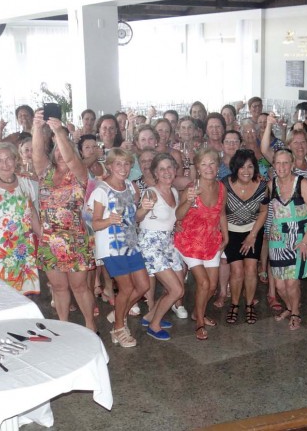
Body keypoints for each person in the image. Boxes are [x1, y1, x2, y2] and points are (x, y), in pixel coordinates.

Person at [33, 116, 97, 332]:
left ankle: (90, 325)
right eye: (57, 149)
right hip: (50, 241)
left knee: (80, 287)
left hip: (76, 239)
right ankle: (63, 326)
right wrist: (37, 127)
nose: (60, 152)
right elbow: (37, 154)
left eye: (65, 148)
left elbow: (70, 159)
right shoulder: (45, 172)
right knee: (58, 288)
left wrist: (60, 132)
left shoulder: (80, 173)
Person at [90, 148, 150, 348]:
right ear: (109, 166)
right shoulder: (102, 190)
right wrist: (109, 220)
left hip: (131, 243)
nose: (123, 168)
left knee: (143, 286)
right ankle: (118, 328)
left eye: (126, 164)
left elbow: (135, 218)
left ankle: (118, 314)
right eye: (118, 164)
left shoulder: (131, 187)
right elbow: (95, 223)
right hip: (112, 246)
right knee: (127, 288)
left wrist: (145, 209)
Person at [175, 148, 228, 340]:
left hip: (211, 241)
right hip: (190, 241)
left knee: (212, 286)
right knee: (204, 282)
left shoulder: (221, 188)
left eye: (212, 163)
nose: (208, 167)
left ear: (218, 166)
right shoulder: (191, 188)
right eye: (204, 164)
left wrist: (226, 236)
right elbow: (178, 215)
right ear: (197, 167)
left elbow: (221, 213)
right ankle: (199, 321)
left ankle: (197, 312)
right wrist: (189, 201)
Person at [0, 142, 40, 294]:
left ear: (15, 159)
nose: (5, 164)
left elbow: (32, 212)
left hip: (22, 247)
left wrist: (42, 236)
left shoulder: (24, 182)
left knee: (24, 293)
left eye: (8, 159)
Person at [268, 149, 307, 329]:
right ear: (274, 165)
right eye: (278, 163)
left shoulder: (302, 184)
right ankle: (290, 307)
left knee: (291, 282)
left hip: (300, 237)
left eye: (285, 163)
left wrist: (305, 241)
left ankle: (296, 312)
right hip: (277, 238)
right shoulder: (271, 185)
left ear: (292, 165)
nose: (281, 167)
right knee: (280, 286)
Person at [136, 153, 185, 340]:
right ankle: (154, 326)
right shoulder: (151, 193)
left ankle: (149, 316)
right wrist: (143, 209)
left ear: (175, 169)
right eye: (161, 169)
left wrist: (176, 224)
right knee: (176, 290)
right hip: (151, 244)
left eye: (170, 167)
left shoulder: (174, 192)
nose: (166, 172)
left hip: (167, 243)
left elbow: (172, 217)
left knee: (176, 287)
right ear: (155, 173)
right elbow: (137, 217)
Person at [223, 149, 268, 325]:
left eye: (250, 166)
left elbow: (263, 211)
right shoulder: (225, 184)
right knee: (237, 270)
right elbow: (220, 212)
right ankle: (234, 304)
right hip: (231, 231)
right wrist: (224, 236)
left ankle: (249, 305)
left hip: (253, 230)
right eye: (242, 167)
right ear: (235, 168)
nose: (246, 171)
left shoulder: (262, 185)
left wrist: (252, 235)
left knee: (251, 268)